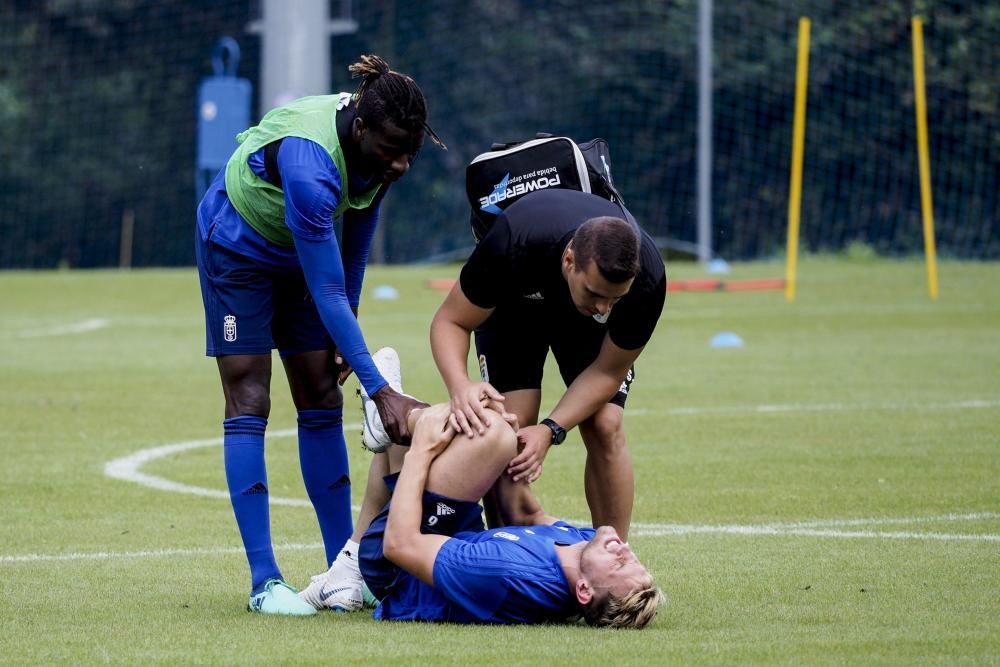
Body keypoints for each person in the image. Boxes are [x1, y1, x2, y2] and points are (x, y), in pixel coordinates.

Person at [195, 54, 442, 615]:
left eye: (410, 152)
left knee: (321, 391)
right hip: (238, 245)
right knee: (249, 396)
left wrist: (346, 331)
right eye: (391, 151)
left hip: (300, 250)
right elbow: (326, 290)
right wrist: (383, 391)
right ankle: (264, 583)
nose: (401, 165)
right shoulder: (311, 166)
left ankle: (343, 570)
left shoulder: (379, 147)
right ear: (360, 130)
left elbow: (355, 243)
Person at [430, 188, 667, 539]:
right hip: (514, 307)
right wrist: (460, 386)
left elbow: (608, 371)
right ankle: (507, 554)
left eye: (615, 299)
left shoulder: (647, 280)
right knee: (507, 430)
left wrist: (551, 429)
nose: (604, 308)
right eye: (596, 294)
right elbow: (449, 321)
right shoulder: (515, 239)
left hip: (579, 324)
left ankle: (615, 561)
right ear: (569, 260)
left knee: (605, 423)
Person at [356, 395, 664, 626]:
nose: (624, 549)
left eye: (620, 565)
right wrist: (513, 439)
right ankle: (391, 418)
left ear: (583, 590)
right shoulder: (584, 546)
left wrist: (421, 450)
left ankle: (393, 411)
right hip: (449, 532)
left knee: (482, 432)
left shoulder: (507, 573)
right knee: (489, 426)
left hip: (394, 568)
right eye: (633, 558)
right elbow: (525, 513)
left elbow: (400, 545)